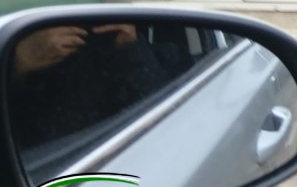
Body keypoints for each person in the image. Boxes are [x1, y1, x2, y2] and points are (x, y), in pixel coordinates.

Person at [8, 23, 174, 156]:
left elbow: (162, 130)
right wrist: (19, 61)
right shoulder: (18, 46)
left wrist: (130, 48)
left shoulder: (144, 53)